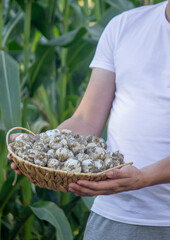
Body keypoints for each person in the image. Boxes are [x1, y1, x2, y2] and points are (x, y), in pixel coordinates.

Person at [9, 0, 170, 239]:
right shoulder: (124, 26)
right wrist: (42, 151)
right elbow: (86, 118)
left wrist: (144, 178)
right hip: (112, 217)